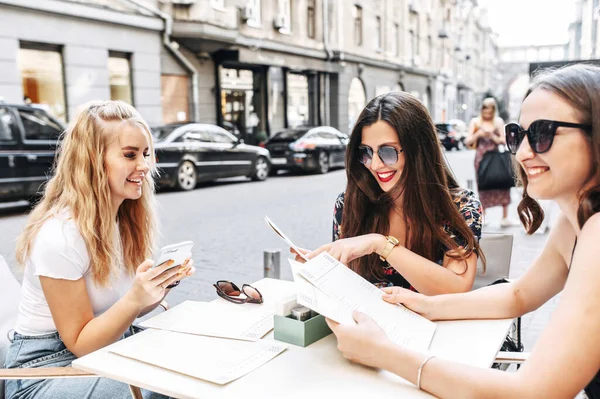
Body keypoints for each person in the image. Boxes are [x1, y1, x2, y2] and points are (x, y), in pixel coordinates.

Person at [325, 64, 600, 398]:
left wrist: (383, 353)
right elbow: (519, 295)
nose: (524, 153)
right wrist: (427, 306)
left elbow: (534, 391)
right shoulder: (576, 221)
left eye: (542, 133)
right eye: (518, 135)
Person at [5, 101, 196, 399]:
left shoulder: (122, 219)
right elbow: (80, 342)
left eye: (146, 154)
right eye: (130, 155)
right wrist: (135, 299)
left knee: (196, 363)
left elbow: (116, 314)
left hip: (107, 348)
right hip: (45, 369)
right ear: (93, 161)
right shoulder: (61, 235)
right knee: (162, 385)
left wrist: (158, 286)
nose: (145, 165)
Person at [297, 92, 485, 295]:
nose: (375, 165)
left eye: (388, 152)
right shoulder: (350, 204)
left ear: (419, 151)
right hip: (364, 325)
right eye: (366, 152)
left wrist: (380, 244)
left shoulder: (461, 206)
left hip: (433, 325)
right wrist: (320, 271)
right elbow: (346, 288)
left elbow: (456, 289)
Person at [465, 97, 517, 227]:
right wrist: (479, 134)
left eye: (490, 112)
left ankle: (505, 217)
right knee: (483, 185)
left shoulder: (498, 121)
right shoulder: (476, 122)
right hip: (481, 157)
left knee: (503, 182)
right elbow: (468, 141)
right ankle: (484, 215)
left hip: (496, 156)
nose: (487, 114)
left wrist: (492, 136)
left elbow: (504, 141)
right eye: (485, 111)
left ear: (494, 111)